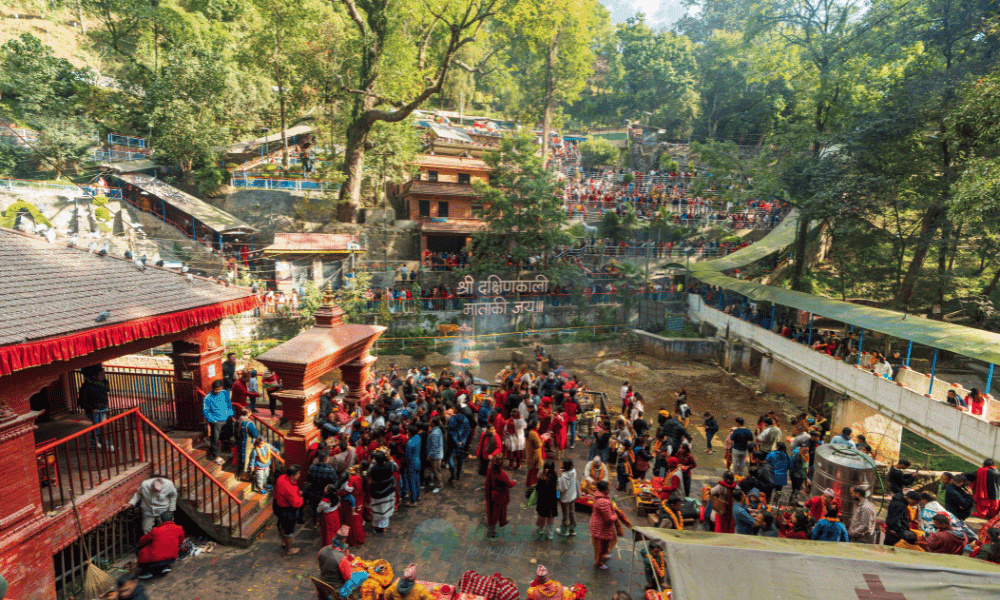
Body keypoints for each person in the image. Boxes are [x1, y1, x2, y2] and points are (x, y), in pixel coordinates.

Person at [135, 512, 184, 579]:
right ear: (173, 519)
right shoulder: (179, 528)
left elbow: (141, 541)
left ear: (161, 521)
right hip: (172, 556)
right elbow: (181, 541)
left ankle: (146, 571)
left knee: (139, 550)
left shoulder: (156, 530)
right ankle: (165, 566)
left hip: (156, 558)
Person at [78, 365, 113, 451]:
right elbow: (81, 401)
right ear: (94, 376)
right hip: (94, 410)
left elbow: (107, 390)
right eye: (101, 375)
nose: (103, 376)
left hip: (102, 408)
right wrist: (91, 409)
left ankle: (94, 443)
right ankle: (105, 444)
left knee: (97, 427)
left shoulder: (101, 384)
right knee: (98, 428)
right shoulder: (86, 387)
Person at [485, 453, 516, 538]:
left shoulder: (489, 470)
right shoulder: (502, 475)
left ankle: (503, 521)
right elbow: (509, 485)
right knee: (495, 514)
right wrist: (514, 481)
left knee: (495, 512)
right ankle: (491, 531)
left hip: (491, 494)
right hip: (500, 497)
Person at [275, 464, 304, 556]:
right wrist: (301, 497)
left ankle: (284, 541)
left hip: (278, 506)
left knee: (281, 525)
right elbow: (296, 503)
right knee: (289, 530)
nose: (299, 475)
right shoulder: (289, 487)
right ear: (292, 475)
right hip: (287, 510)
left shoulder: (281, 478)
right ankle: (289, 549)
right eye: (298, 473)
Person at [590, 480, 618, 570]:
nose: (609, 490)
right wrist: (615, 516)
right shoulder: (603, 501)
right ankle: (599, 562)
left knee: (605, 543)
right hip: (601, 527)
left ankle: (604, 554)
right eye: (608, 488)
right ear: (603, 490)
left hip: (601, 525)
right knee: (599, 545)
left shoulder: (600, 496)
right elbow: (609, 518)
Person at [203, 380, 233, 465]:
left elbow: (229, 404)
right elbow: (206, 411)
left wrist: (230, 415)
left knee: (229, 434)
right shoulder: (207, 397)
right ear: (212, 388)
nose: (217, 391)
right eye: (216, 389)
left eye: (219, 389)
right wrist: (213, 420)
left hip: (227, 419)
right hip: (216, 421)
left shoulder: (225, 393)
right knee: (215, 439)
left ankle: (223, 448)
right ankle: (215, 455)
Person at [369, 451, 398, 533]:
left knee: (377, 509)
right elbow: (396, 467)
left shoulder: (373, 469)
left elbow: (369, 471)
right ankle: (383, 526)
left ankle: (376, 526)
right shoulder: (389, 466)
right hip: (387, 492)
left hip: (376, 493)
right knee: (385, 509)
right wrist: (390, 459)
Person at [535, 460, 560, 540]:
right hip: (551, 501)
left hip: (542, 500)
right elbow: (557, 487)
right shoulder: (555, 476)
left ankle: (540, 530)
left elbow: (538, 488)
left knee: (541, 516)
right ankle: (550, 534)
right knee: (551, 519)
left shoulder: (541, 476)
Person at [446, 407, 470, 484]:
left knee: (450, 457)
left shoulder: (452, 419)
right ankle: (458, 474)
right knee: (460, 459)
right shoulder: (466, 419)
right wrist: (462, 441)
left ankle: (453, 473)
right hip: (461, 443)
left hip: (452, 442)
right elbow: (467, 432)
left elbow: (451, 432)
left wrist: (456, 441)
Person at [234, 409, 259, 477]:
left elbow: (235, 433)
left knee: (240, 455)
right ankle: (244, 472)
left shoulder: (237, 421)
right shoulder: (249, 423)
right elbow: (255, 435)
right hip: (247, 442)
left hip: (239, 440)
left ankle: (239, 470)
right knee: (247, 456)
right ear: (248, 413)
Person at [557, 459, 579, 536]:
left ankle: (564, 530)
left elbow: (562, 488)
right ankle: (572, 529)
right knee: (572, 513)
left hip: (565, 499)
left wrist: (559, 477)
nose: (560, 465)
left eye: (562, 464)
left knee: (566, 514)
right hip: (572, 496)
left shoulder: (563, 477)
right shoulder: (574, 471)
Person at [427, 417, 445, 493]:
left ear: (433, 423)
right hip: (437, 454)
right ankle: (436, 482)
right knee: (435, 470)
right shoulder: (437, 430)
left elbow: (434, 446)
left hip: (436, 455)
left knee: (436, 470)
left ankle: (439, 485)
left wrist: (429, 455)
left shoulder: (434, 433)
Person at [525, 421, 544, 488]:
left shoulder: (528, 432)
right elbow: (538, 445)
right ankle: (532, 483)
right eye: (538, 425)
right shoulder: (534, 433)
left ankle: (529, 482)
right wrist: (542, 441)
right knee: (534, 471)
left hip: (530, 453)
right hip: (535, 454)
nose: (539, 426)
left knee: (531, 470)